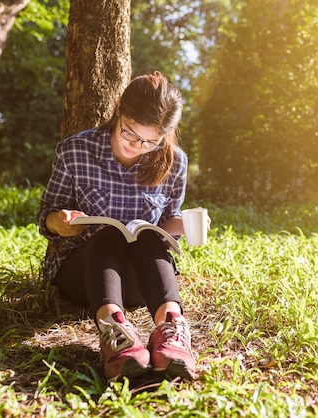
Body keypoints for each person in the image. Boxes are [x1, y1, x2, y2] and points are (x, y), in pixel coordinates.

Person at [37, 72, 199, 382]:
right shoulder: (75, 151)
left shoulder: (175, 161)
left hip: (141, 279)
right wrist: (57, 221)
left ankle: (173, 331)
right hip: (82, 276)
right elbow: (46, 214)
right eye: (131, 135)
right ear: (119, 113)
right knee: (110, 233)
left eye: (152, 141)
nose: (139, 146)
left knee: (148, 236)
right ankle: (115, 333)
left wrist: (189, 224)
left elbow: (170, 220)